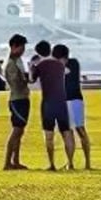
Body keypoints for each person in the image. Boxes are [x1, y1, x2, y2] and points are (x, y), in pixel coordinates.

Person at [32, 43, 75, 171]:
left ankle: (52, 164)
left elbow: (31, 79)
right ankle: (70, 163)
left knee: (49, 135)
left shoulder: (40, 65)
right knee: (66, 133)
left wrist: (31, 67)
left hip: (47, 103)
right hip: (61, 102)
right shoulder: (60, 65)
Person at [2, 34, 30, 170]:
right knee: (16, 131)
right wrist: (25, 79)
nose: (23, 50)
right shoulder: (11, 64)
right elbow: (15, 83)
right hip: (17, 99)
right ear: (14, 47)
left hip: (22, 98)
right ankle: (7, 162)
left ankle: (16, 160)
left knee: (20, 131)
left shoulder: (17, 61)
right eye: (21, 47)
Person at [63, 49, 91, 170]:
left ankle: (87, 162)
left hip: (74, 100)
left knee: (80, 130)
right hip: (65, 101)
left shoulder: (73, 63)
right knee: (68, 132)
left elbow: (65, 71)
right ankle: (70, 163)